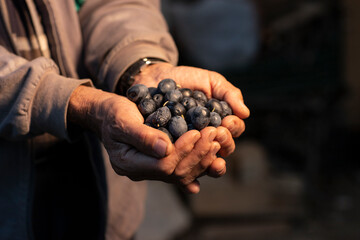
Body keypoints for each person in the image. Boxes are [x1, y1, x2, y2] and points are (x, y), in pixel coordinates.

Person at [0, 0, 249, 239]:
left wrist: (140, 65)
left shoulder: (170, 104)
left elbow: (117, 4)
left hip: (106, 214)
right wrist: (69, 101)